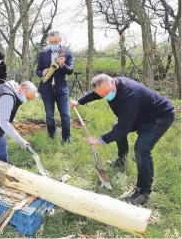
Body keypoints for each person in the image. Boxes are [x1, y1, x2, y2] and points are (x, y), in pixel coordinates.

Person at [70, 74, 175, 205]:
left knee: (141, 149)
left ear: (113, 83)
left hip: (160, 116)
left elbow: (123, 128)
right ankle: (122, 160)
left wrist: (99, 140)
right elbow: (95, 93)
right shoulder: (107, 87)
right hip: (142, 114)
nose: (104, 96)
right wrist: (79, 101)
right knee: (116, 127)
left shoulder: (130, 95)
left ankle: (143, 192)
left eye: (106, 93)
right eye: (102, 94)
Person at [36, 31, 74, 144]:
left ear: (60, 40)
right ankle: (52, 137)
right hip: (47, 89)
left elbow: (70, 71)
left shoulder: (67, 53)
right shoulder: (43, 54)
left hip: (61, 90)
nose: (53, 43)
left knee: (66, 116)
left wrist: (63, 65)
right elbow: (37, 70)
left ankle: (66, 139)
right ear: (49, 41)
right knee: (49, 116)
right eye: (51, 42)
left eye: (55, 41)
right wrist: (42, 72)